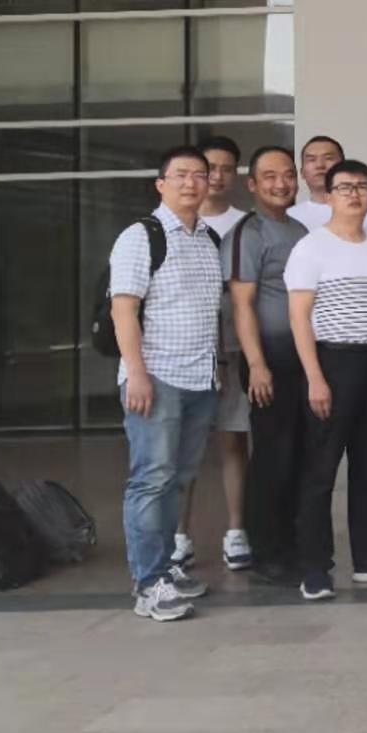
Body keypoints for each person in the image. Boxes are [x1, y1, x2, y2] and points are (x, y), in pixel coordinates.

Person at [286, 160, 367, 600]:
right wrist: (315, 378)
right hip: (333, 363)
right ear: (329, 196)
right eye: (344, 187)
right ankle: (315, 567)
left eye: (361, 186)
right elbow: (299, 317)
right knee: (321, 470)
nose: (354, 194)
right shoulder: (311, 248)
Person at [109, 145, 224, 622]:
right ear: (161, 184)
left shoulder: (209, 238)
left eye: (200, 174)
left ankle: (165, 568)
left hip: (200, 378)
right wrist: (136, 372)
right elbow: (123, 309)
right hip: (156, 378)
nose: (191, 182)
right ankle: (148, 584)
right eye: (180, 175)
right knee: (151, 480)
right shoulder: (141, 236)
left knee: (179, 479)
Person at [225, 145, 310, 587]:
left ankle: (291, 545)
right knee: (272, 457)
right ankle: (266, 553)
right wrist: (257, 365)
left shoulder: (299, 230)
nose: (282, 183)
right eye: (271, 176)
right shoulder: (249, 232)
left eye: (288, 174)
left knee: (298, 456)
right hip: (269, 362)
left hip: (303, 360)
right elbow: (242, 305)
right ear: (253, 184)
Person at [174, 135, 252, 572]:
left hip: (234, 353)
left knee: (233, 441)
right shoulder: (172, 225)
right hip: (185, 355)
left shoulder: (248, 225)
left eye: (226, 168)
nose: (217, 176)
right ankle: (178, 536)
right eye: (209, 168)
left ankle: (237, 531)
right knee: (183, 449)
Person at [288, 135, 367, 237]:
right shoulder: (290, 216)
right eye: (311, 160)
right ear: (302, 172)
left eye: (328, 158)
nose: (320, 165)